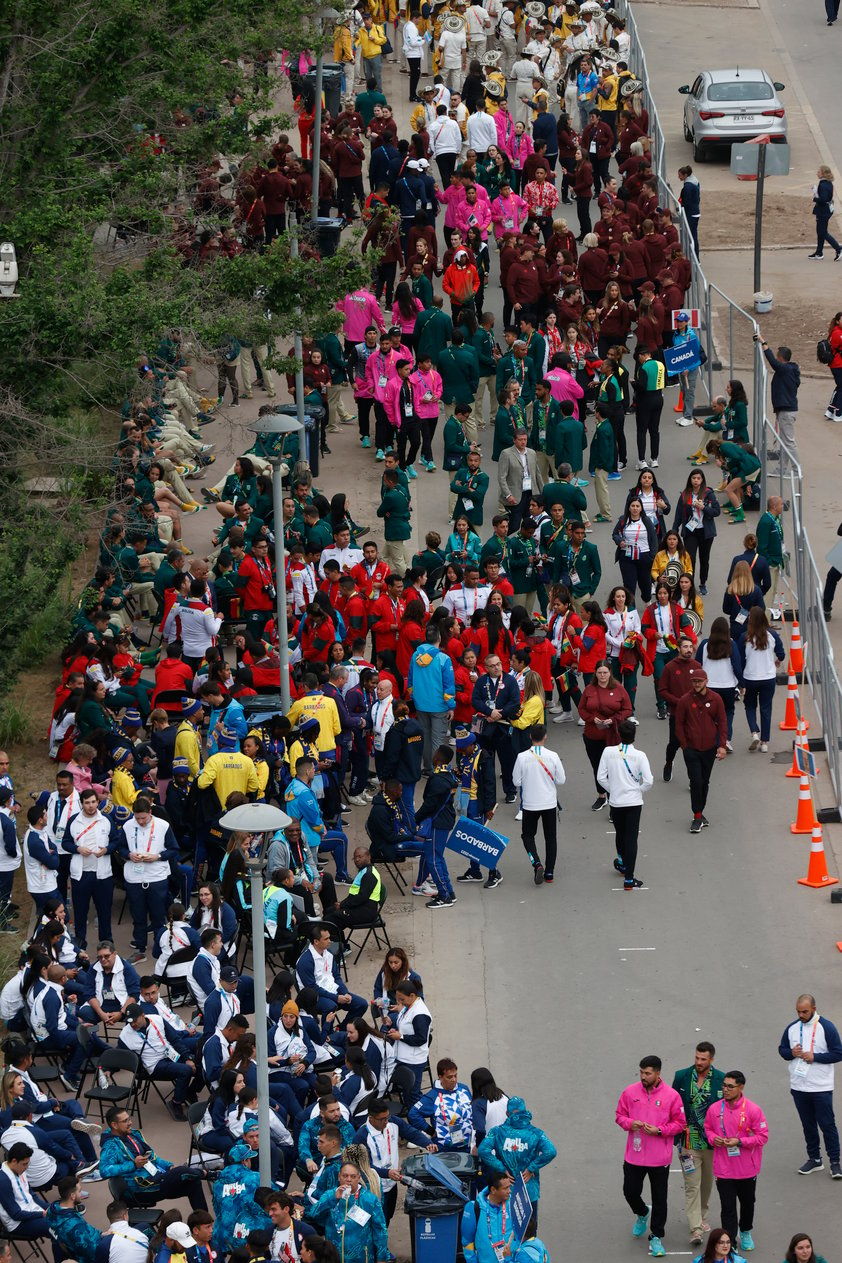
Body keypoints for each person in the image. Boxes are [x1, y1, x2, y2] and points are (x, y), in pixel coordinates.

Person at [615, 1055, 687, 1258]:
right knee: (630, 1191)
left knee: (660, 1198)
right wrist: (630, 1123)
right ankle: (642, 1213)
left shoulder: (671, 1096)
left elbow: (680, 1123)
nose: (643, 1076)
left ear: (657, 1073)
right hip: (634, 1155)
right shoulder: (630, 1092)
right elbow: (619, 1116)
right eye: (641, 1072)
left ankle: (656, 1236)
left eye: (647, 1073)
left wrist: (660, 1131)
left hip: (659, 1158)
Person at [777, 992, 842, 1177]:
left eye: (804, 1011)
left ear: (814, 1009)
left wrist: (816, 1057)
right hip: (799, 1086)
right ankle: (815, 1159)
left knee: (827, 1125)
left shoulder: (826, 1027)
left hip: (821, 1087)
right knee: (808, 1125)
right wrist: (792, 1052)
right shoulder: (792, 1028)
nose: (801, 1015)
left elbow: (838, 1053)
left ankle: (835, 1163)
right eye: (798, 1011)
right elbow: (782, 1050)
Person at [704, 1071, 769, 1253]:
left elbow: (762, 1137)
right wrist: (713, 1138)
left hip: (747, 1169)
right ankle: (730, 1240)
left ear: (741, 1088)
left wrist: (740, 1141)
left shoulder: (753, 1110)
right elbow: (707, 1128)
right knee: (727, 1207)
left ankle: (746, 1231)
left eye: (730, 1086)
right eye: (724, 1085)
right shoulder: (715, 1109)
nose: (725, 1089)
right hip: (724, 1170)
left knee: (748, 1203)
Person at [98, 1106, 208, 1209]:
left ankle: (203, 1225)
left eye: (129, 1119)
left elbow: (153, 1158)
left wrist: (169, 1166)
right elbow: (104, 1170)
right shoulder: (110, 1145)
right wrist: (133, 1165)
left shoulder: (132, 1134)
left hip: (156, 1177)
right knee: (181, 1171)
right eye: (125, 1121)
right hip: (140, 1188)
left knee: (193, 1182)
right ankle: (208, 1174)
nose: (130, 1123)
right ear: (114, 1125)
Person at [672, 1043, 726, 1246]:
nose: (699, 1062)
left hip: (712, 1143)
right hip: (688, 1141)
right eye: (697, 1058)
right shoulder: (682, 1076)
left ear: (711, 1060)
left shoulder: (721, 1079)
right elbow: (673, 1103)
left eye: (703, 1059)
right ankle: (695, 1229)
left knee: (706, 1183)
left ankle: (702, 1214)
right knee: (692, 1185)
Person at [478, 1098, 556, 1228]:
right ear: (524, 1112)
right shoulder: (536, 1133)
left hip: (504, 1190)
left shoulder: (497, 1132)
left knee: (504, 1230)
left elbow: (483, 1150)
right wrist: (531, 1168)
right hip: (528, 1192)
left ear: (507, 1114)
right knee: (528, 1232)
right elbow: (551, 1151)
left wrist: (501, 1168)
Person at [597, 719, 653, 890]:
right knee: (632, 838)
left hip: (616, 801)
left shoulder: (608, 752)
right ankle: (629, 878)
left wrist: (613, 789)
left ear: (619, 735)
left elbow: (601, 777)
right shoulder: (640, 755)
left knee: (620, 833)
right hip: (634, 802)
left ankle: (621, 862)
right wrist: (638, 790)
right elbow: (649, 781)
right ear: (634, 736)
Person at [675, 670, 727, 833]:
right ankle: (697, 816)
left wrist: (722, 745)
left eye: (699, 681)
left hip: (709, 749)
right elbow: (679, 724)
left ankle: (700, 812)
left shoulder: (716, 699)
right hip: (691, 750)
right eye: (694, 681)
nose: (697, 684)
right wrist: (684, 745)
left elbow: (723, 722)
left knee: (705, 781)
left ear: (706, 681)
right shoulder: (685, 700)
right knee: (695, 781)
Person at [512, 724, 565, 886]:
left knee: (527, 835)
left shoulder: (522, 757)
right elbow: (561, 780)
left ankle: (536, 863)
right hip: (549, 802)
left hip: (529, 803)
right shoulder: (553, 756)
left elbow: (516, 781)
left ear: (530, 737)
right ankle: (549, 872)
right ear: (545, 736)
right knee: (550, 838)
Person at [579, 661, 632, 812]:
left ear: (610, 673)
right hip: (593, 735)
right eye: (599, 672)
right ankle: (601, 796)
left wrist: (614, 719)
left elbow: (628, 708)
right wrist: (590, 719)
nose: (602, 675)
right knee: (597, 767)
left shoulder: (619, 689)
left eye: (605, 672)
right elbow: (581, 708)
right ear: (595, 673)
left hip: (612, 736)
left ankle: (615, 800)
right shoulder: (589, 689)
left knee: (613, 768)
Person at [311, 1161, 388, 1262]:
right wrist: (334, 1198)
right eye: (345, 1176)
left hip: (360, 1257)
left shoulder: (369, 1199)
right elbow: (314, 1214)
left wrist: (382, 1257)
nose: (348, 1180)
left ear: (359, 1178)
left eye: (353, 1176)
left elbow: (380, 1230)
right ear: (339, 1177)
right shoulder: (330, 1194)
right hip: (333, 1256)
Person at [739, 607, 784, 753]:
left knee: (750, 706)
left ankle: (754, 733)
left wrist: (740, 680)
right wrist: (777, 660)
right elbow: (781, 653)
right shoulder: (772, 635)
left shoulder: (744, 637)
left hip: (750, 677)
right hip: (768, 677)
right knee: (766, 708)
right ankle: (765, 742)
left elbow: (740, 660)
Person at [461, 1171, 518, 1263]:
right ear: (493, 1190)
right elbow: (467, 1241)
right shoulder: (474, 1207)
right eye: (505, 1188)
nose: (509, 1191)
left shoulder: (514, 1204)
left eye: (509, 1187)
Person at [809, 166, 841, 259]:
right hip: (826, 210)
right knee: (820, 231)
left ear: (823, 173)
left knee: (822, 232)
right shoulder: (828, 183)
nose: (817, 173)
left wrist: (814, 198)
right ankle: (819, 253)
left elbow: (823, 199)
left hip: (823, 211)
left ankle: (838, 249)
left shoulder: (823, 185)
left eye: (818, 172)